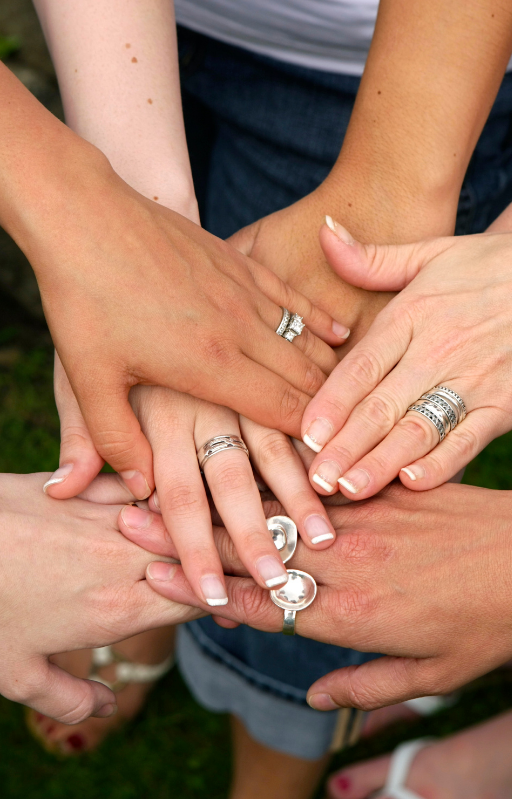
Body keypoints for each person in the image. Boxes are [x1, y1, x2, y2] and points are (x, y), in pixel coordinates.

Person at [28, 0, 512, 791]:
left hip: (386, 72)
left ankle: (272, 746)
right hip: (137, 33)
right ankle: (160, 594)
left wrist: (390, 186)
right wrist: (134, 219)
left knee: (311, 509)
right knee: (167, 415)